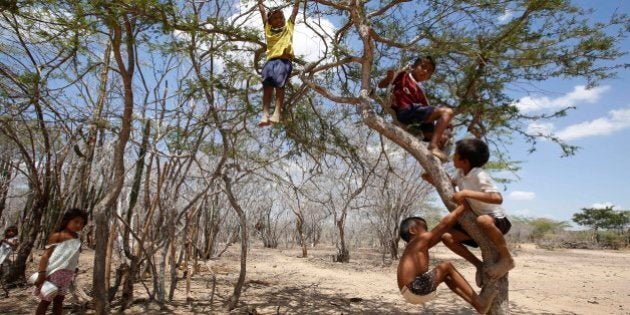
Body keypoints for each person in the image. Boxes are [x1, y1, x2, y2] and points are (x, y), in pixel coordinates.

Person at [422, 138, 515, 287]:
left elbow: (497, 198)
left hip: (497, 220)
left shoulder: (479, 175)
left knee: (483, 220)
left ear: (464, 161)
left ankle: (507, 259)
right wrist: (432, 177)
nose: (453, 157)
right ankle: (479, 265)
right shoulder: (460, 173)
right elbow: (449, 184)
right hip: (477, 221)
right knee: (447, 238)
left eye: (455, 155)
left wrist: (466, 193)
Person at [398, 206, 496, 313]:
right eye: (424, 228)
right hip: (415, 288)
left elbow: (441, 235)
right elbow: (443, 225)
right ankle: (480, 302)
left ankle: (479, 305)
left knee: (447, 277)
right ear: (413, 230)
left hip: (410, 291)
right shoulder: (418, 241)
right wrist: (462, 206)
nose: (428, 231)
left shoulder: (414, 248)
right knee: (446, 266)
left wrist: (447, 236)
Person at [377, 57, 454, 161]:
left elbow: (426, 112)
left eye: (429, 71)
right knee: (447, 112)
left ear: (429, 77)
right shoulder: (403, 76)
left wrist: (443, 127)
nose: (425, 71)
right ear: (413, 67)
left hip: (414, 117)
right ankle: (433, 147)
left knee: (444, 136)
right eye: (423, 67)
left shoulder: (420, 92)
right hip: (406, 111)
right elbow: (381, 85)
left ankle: (436, 160)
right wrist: (388, 78)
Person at [33, 208, 88, 315]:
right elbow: (45, 256)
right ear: (67, 220)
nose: (78, 225)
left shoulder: (77, 238)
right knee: (46, 301)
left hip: (67, 275)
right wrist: (41, 273)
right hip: (53, 274)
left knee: (59, 301)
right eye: (76, 221)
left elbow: (73, 256)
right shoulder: (57, 236)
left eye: (81, 223)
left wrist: (74, 268)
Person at [257, 0, 300, 127]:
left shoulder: (288, 27)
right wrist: (259, 3)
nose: (279, 20)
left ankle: (277, 112)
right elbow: (262, 12)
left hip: (284, 61)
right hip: (270, 62)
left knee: (279, 85)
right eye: (275, 18)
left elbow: (294, 11)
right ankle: (265, 114)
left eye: (281, 17)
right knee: (267, 87)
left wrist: (297, 2)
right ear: (270, 22)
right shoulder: (268, 30)